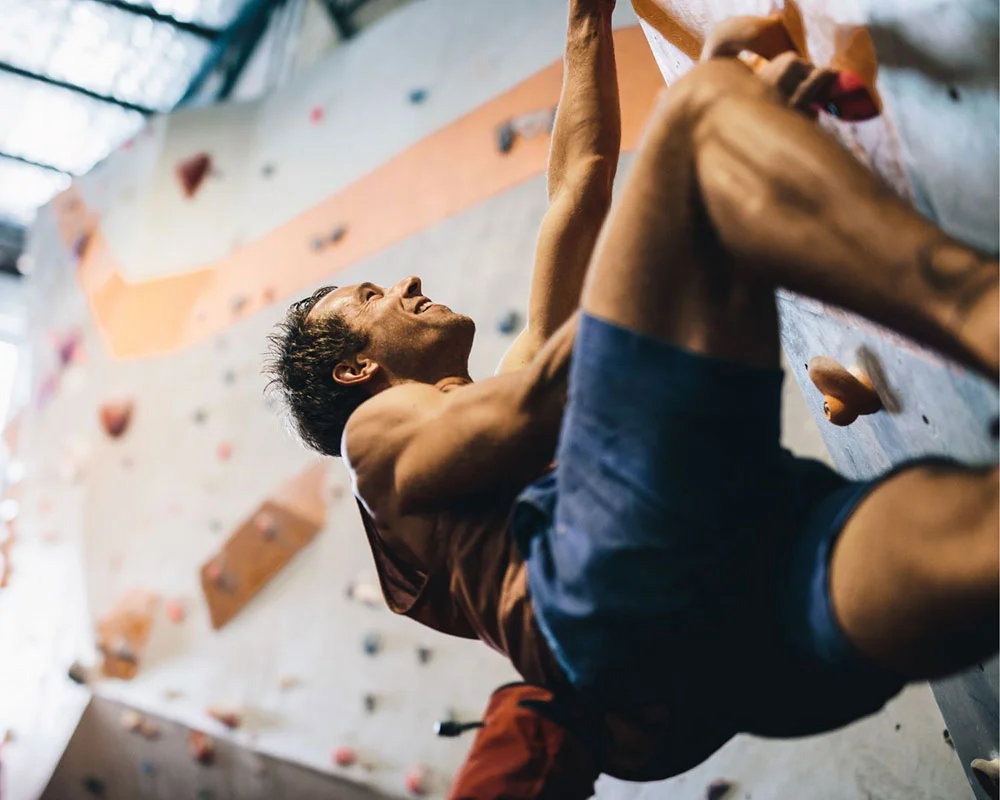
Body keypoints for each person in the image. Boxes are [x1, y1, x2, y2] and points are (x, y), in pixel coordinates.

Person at [266, 0, 999, 783]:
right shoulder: (373, 444)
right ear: (353, 371)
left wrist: (586, 23)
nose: (407, 281)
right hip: (599, 594)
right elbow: (544, 403)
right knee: (699, 120)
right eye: (373, 295)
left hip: (707, 655)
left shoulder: (477, 418)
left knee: (969, 530)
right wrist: (695, 221)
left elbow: (576, 193)